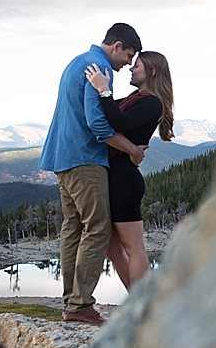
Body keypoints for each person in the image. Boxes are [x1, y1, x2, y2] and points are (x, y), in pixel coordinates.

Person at [38, 23, 147, 325]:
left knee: (73, 227)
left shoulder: (78, 62)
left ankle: (72, 301)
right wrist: (132, 150)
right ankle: (80, 304)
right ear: (116, 46)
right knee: (98, 227)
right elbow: (97, 123)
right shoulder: (99, 68)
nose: (128, 63)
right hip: (85, 158)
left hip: (63, 157)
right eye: (128, 55)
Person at [84, 51, 174, 291]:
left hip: (125, 181)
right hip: (116, 177)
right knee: (113, 248)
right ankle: (136, 300)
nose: (131, 69)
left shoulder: (151, 101)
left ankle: (144, 308)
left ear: (151, 72)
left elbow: (120, 122)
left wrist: (103, 90)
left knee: (135, 248)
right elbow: (109, 111)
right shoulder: (137, 98)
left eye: (138, 65)